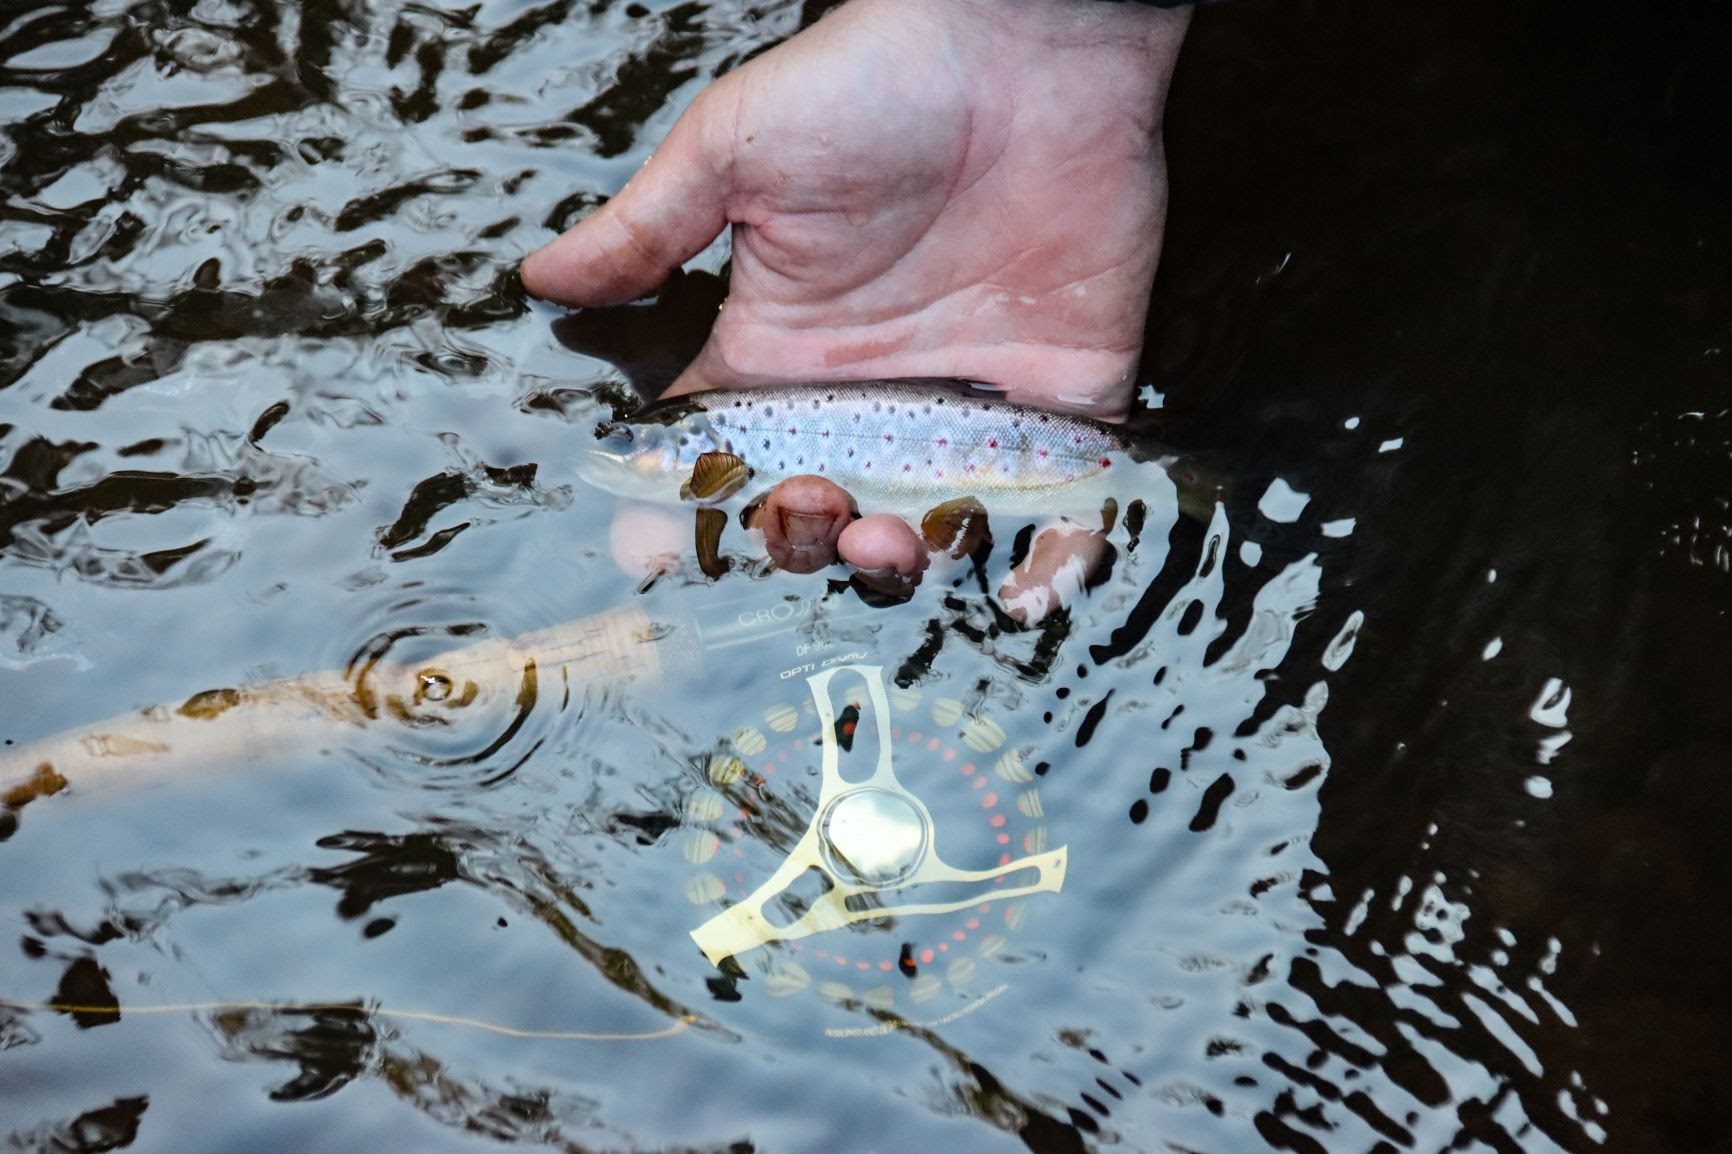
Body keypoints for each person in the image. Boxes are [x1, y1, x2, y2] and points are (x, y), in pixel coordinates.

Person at [521, 0, 1191, 606]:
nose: (614, 448)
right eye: (628, 440)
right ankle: (1183, 481)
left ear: (701, 449)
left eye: (634, 440)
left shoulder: (713, 445)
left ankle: (1184, 481)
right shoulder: (714, 444)